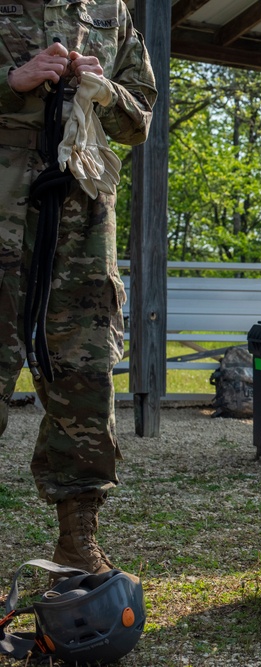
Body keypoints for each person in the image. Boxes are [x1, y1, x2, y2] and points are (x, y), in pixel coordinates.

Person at [0, 2, 156, 574]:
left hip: (82, 219)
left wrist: (107, 92)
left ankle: (78, 540)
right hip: (3, 204)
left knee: (86, 380)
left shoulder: (111, 11)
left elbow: (139, 122)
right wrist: (12, 83)